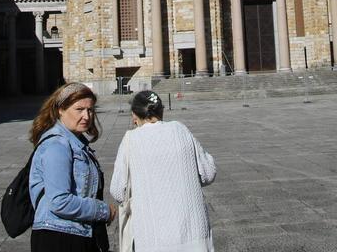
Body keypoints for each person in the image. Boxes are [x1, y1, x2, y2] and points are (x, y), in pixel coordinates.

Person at [110, 90, 216, 252]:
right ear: (161, 110)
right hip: (194, 234)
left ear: (134, 115)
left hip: (153, 237)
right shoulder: (181, 130)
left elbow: (118, 191)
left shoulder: (131, 139)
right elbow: (208, 173)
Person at [28, 82, 116, 252]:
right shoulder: (57, 145)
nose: (86, 116)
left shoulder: (74, 142)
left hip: (74, 234)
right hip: (60, 237)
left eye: (90, 110)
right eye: (79, 109)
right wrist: (103, 211)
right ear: (61, 109)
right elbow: (59, 201)